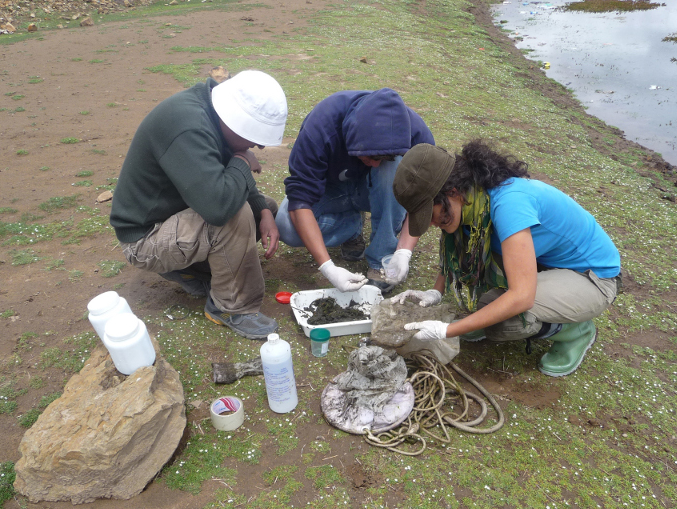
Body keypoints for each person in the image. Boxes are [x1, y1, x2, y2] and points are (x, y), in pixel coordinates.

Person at [391, 141, 621, 376]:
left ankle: (576, 331)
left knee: (506, 323)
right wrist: (435, 292)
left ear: (453, 192)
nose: (430, 223)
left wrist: (448, 330)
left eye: (430, 213)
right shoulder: (472, 200)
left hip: (591, 277)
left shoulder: (510, 204)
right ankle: (544, 307)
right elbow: (457, 253)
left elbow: (521, 297)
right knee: (485, 308)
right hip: (546, 264)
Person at [110, 70, 287, 340]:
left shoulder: (214, 112)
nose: (258, 148)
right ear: (236, 123)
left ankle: (194, 272)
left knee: (261, 207)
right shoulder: (188, 126)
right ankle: (230, 307)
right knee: (234, 215)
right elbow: (218, 208)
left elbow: (228, 181)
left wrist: (263, 211)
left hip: (175, 216)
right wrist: (241, 161)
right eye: (254, 138)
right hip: (146, 239)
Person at [275, 88, 435, 294]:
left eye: (381, 158)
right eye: (370, 157)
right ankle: (351, 227)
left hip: (379, 192)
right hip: (331, 189)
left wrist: (404, 251)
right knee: (286, 226)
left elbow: (423, 196)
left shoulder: (416, 133)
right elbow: (300, 199)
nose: (375, 165)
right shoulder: (321, 126)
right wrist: (328, 268)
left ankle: (381, 261)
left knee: (392, 167)